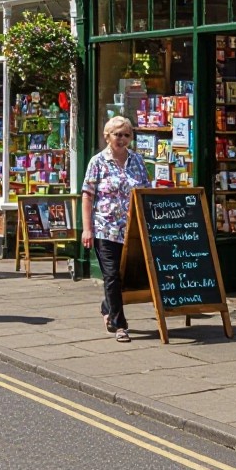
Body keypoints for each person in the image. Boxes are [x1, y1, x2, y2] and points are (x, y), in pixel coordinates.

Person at [81, 115, 151, 344]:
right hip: (105, 229)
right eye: (117, 134)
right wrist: (87, 229)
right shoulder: (97, 162)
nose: (121, 139)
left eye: (126, 135)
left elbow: (145, 193)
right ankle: (121, 325)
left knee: (121, 277)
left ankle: (107, 307)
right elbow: (87, 196)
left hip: (132, 231)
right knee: (111, 275)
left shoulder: (138, 161)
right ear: (107, 136)